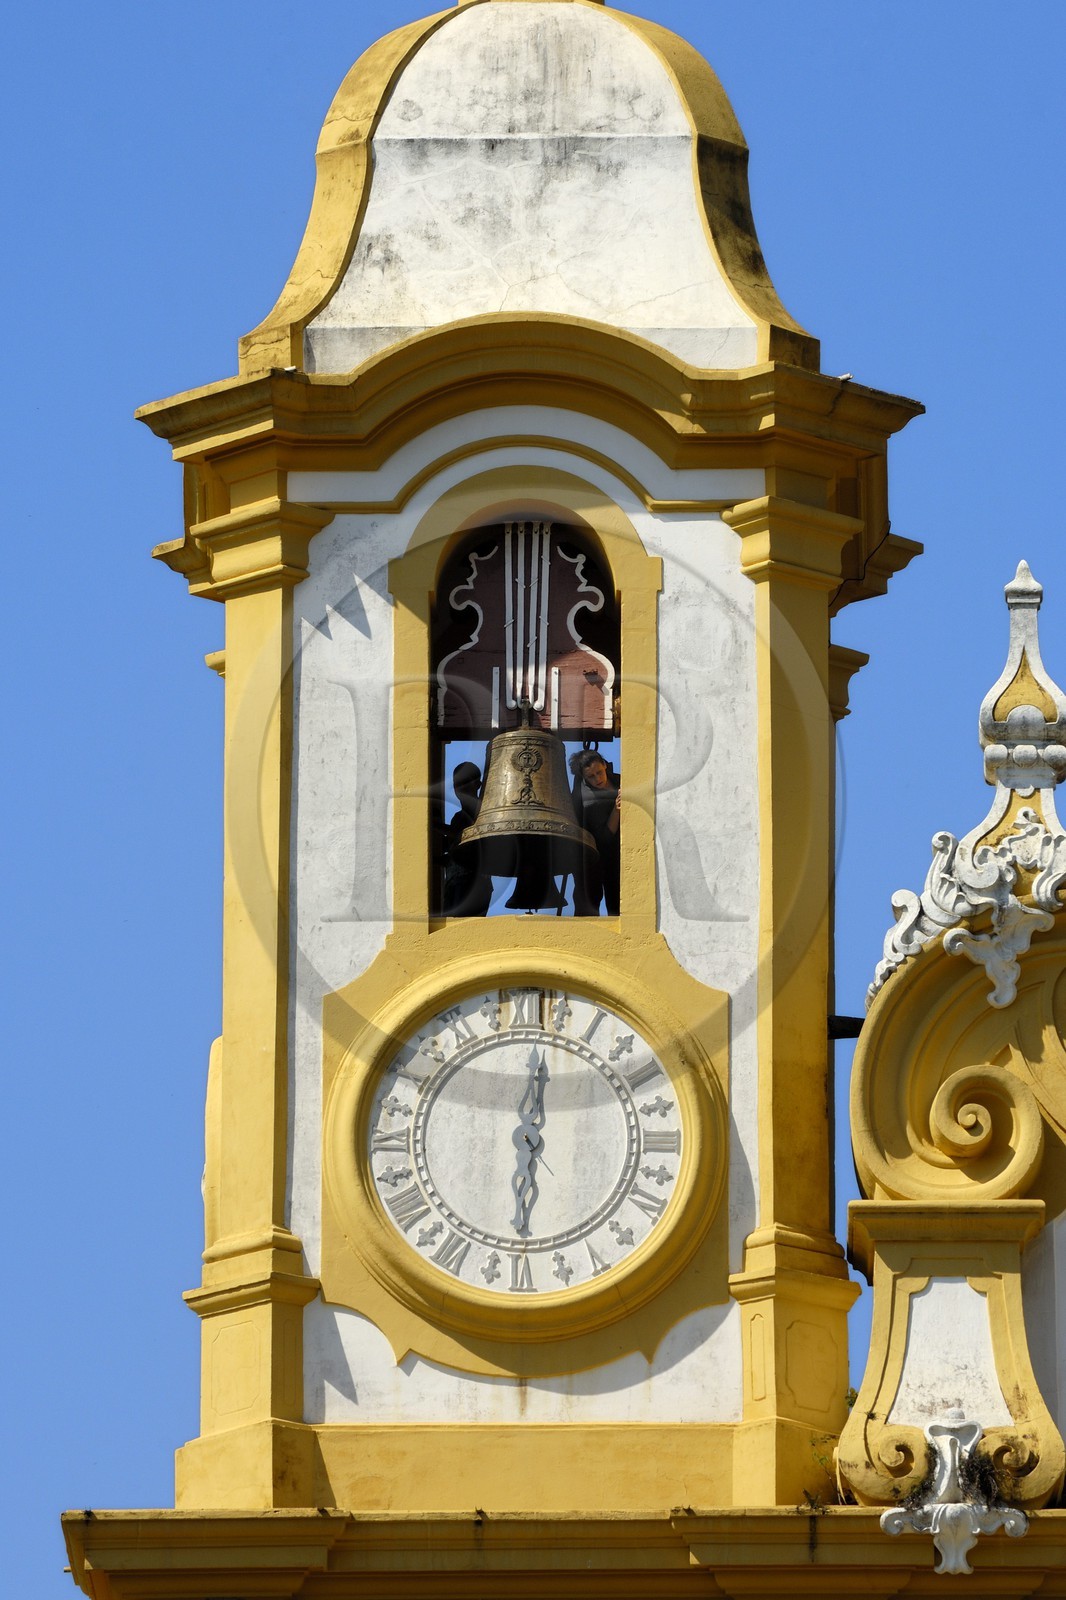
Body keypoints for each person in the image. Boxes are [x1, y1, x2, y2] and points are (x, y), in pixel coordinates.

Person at [569, 749, 620, 916]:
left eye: (599, 772)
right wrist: (617, 809)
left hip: (619, 855)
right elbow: (605, 837)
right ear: (583, 778)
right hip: (592, 857)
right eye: (591, 776)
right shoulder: (589, 801)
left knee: (619, 906)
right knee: (588, 908)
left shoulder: (620, 781)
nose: (598, 779)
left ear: (605, 765)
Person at [441, 760, 493, 916]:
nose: (461, 787)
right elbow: (453, 853)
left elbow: (462, 837)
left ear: (478, 784)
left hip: (472, 883)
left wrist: (432, 825)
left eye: (466, 782)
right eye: (457, 784)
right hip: (454, 883)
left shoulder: (482, 812)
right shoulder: (458, 817)